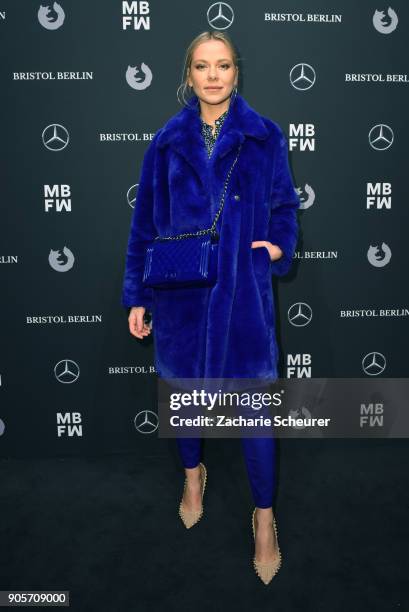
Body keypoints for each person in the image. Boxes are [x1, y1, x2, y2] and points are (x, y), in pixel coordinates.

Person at [121, 31, 300, 585]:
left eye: (223, 65)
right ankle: (193, 477)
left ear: (236, 73)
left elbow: (285, 207)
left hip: (243, 302)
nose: (214, 76)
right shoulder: (166, 142)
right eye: (203, 66)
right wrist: (136, 295)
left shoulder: (264, 136)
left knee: (255, 419)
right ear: (189, 74)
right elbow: (144, 226)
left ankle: (264, 519)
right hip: (181, 302)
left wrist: (274, 246)